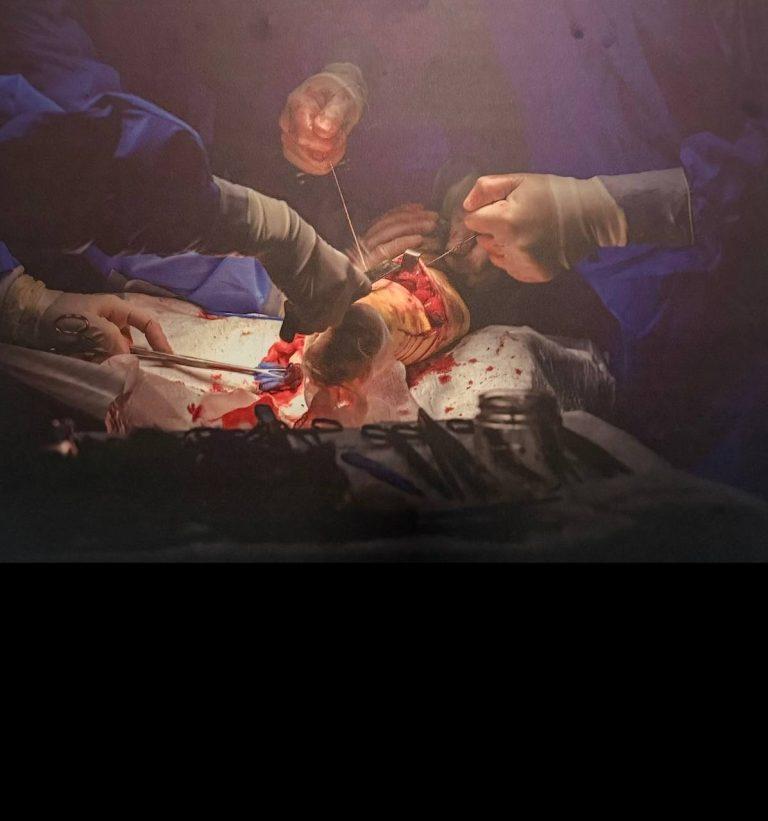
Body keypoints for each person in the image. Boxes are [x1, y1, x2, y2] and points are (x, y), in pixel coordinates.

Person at [0, 0, 371, 357]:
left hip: (189, 173)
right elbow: (67, 151)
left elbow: (283, 24)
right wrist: (15, 296)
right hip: (73, 227)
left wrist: (340, 67)